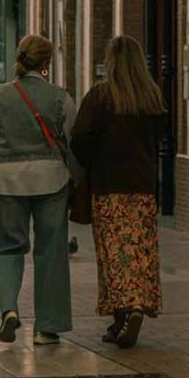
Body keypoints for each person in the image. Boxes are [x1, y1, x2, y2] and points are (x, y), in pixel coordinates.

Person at [71, 36, 168, 349]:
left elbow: (80, 138)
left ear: (110, 61)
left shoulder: (101, 97)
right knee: (139, 250)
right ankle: (137, 305)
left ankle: (122, 315)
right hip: (142, 188)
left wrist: (91, 161)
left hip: (108, 187)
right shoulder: (152, 97)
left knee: (113, 253)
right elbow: (161, 139)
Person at [0, 34, 74, 346]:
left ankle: (9, 309)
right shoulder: (60, 97)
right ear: (47, 62)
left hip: (9, 181)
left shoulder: (0, 94)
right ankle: (47, 327)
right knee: (51, 251)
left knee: (7, 246)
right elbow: (73, 138)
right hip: (52, 180)